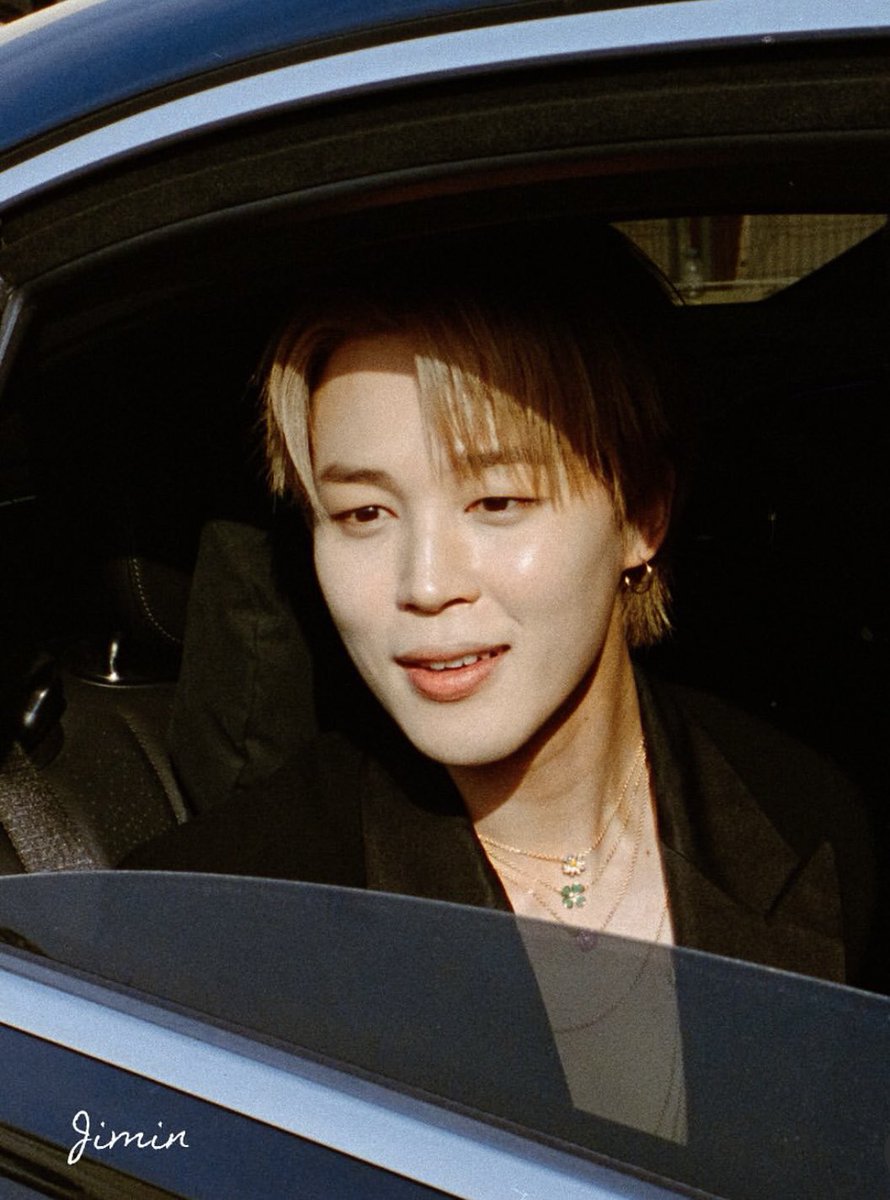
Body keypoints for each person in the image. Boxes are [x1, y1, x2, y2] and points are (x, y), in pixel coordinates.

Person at [126, 223, 874, 988]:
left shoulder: (808, 818)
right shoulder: (204, 929)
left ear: (642, 516)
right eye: (364, 514)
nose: (425, 584)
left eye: (496, 502)